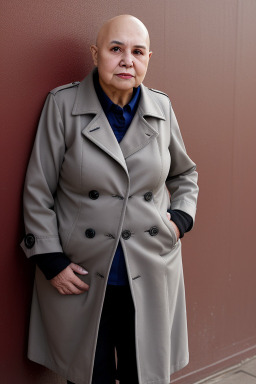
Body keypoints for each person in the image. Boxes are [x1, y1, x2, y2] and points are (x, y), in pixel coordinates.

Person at [21, 14, 199, 384]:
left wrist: (179, 221)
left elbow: (185, 175)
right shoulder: (62, 105)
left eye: (137, 52)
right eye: (115, 49)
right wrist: (51, 260)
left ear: (149, 58)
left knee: (143, 375)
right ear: (95, 53)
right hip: (83, 273)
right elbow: (38, 189)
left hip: (149, 268)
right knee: (89, 376)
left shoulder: (162, 109)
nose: (126, 60)